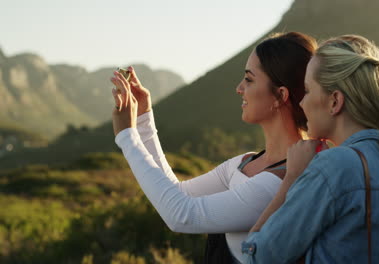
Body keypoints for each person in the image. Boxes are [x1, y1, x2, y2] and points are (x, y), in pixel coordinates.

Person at [110, 32, 321, 263]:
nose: (239, 88)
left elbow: (181, 215)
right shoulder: (246, 162)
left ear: (280, 95)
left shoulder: (281, 181)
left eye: (249, 80)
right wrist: (143, 119)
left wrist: (127, 137)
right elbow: (178, 194)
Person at [242, 35, 379, 264]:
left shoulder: (335, 165)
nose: (301, 103)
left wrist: (292, 178)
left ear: (335, 101)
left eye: (308, 90)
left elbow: (257, 256)